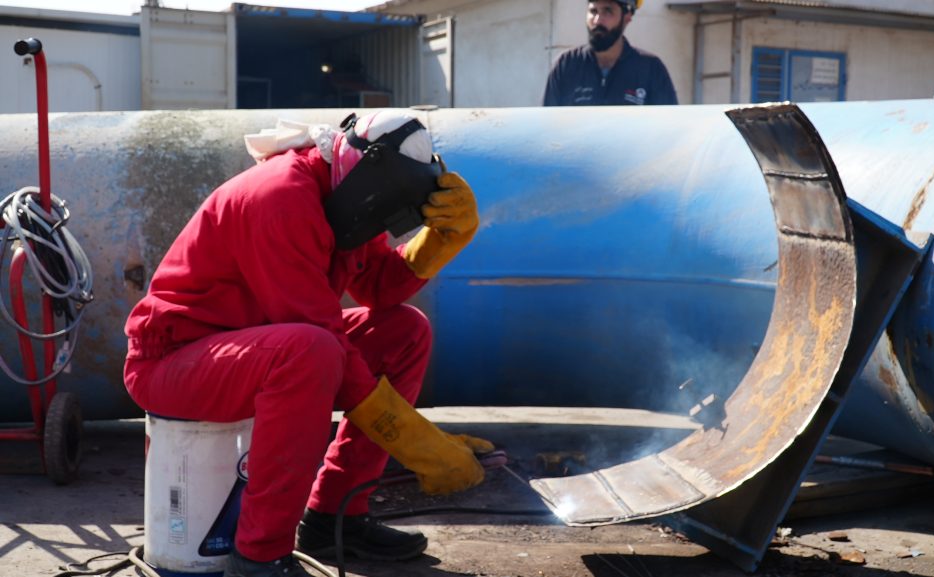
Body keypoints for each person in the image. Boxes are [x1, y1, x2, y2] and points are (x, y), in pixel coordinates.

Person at [123, 111, 492, 577]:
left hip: (251, 349)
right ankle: (260, 557)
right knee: (310, 351)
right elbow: (322, 341)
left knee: (403, 331)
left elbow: (379, 289)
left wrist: (442, 240)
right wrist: (421, 445)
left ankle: (337, 517)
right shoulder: (280, 197)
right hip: (173, 361)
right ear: (369, 170)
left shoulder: (345, 193)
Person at [543, 0, 678, 106]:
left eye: (608, 11)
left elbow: (668, 126)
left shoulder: (650, 69)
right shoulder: (566, 65)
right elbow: (548, 124)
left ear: (627, 18)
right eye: (593, 11)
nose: (597, 20)